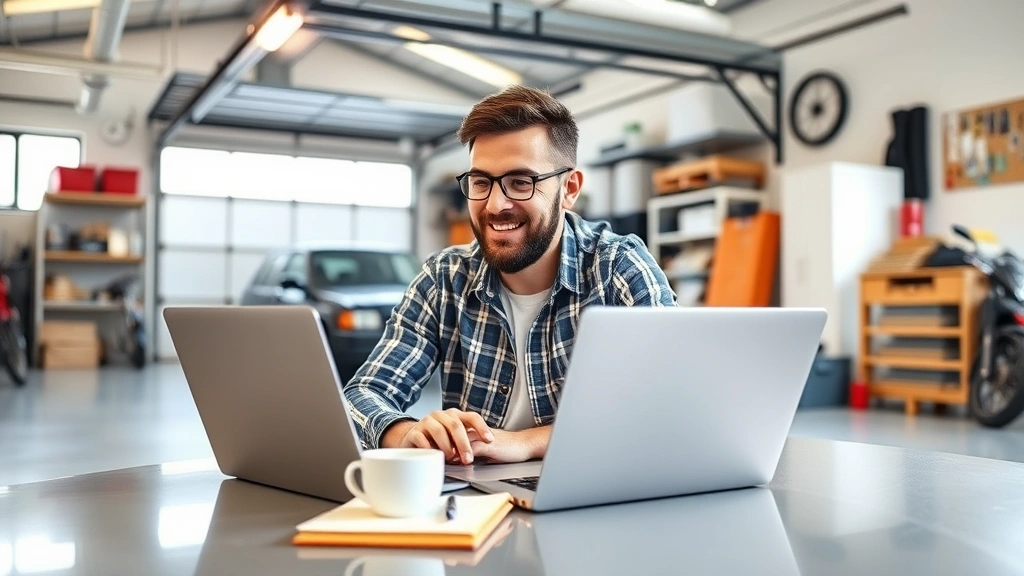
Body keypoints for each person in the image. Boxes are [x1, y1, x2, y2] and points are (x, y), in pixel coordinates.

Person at [343, 84, 676, 465]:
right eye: (481, 182)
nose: (496, 205)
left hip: (598, 492)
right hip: (477, 504)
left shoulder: (618, 268)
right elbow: (364, 393)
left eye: (521, 182)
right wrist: (407, 434)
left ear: (569, 189)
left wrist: (524, 443)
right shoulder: (444, 279)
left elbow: (668, 404)